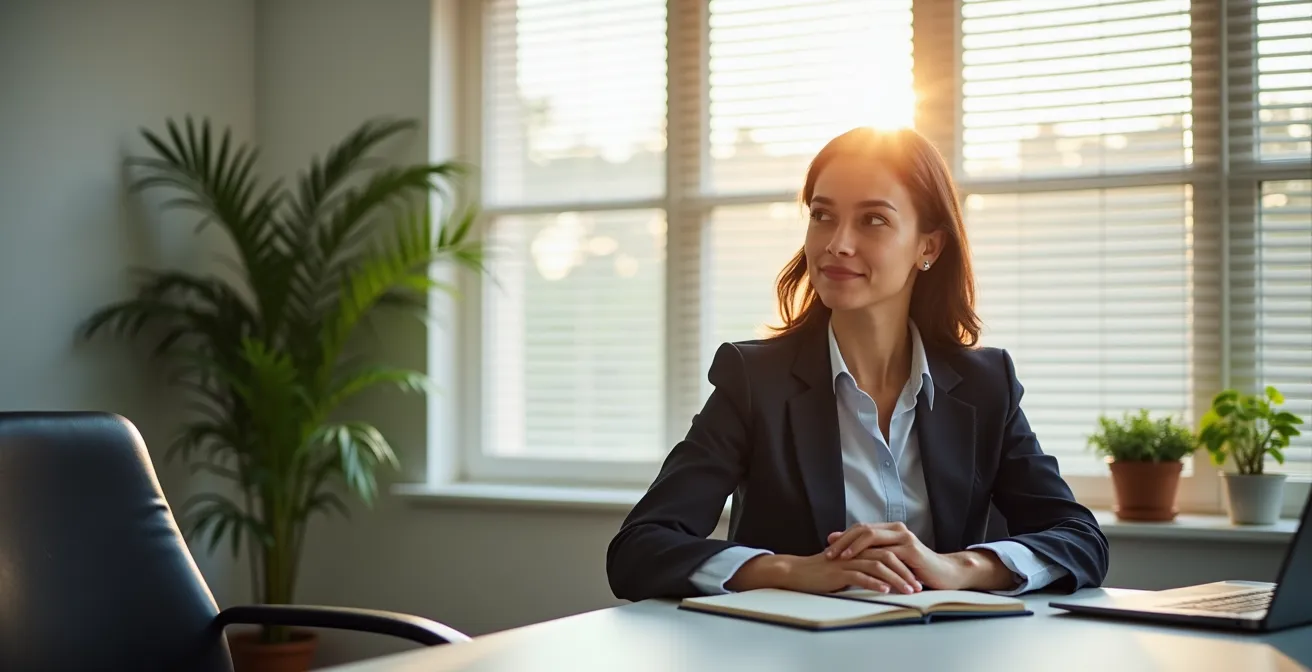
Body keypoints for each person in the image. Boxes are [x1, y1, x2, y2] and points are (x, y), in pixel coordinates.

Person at [606, 127, 1109, 602]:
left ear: (928, 246)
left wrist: (959, 568)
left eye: (873, 220)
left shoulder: (986, 384)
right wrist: (792, 571)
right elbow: (639, 549)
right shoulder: (755, 380)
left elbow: (1080, 539)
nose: (837, 243)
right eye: (822, 215)